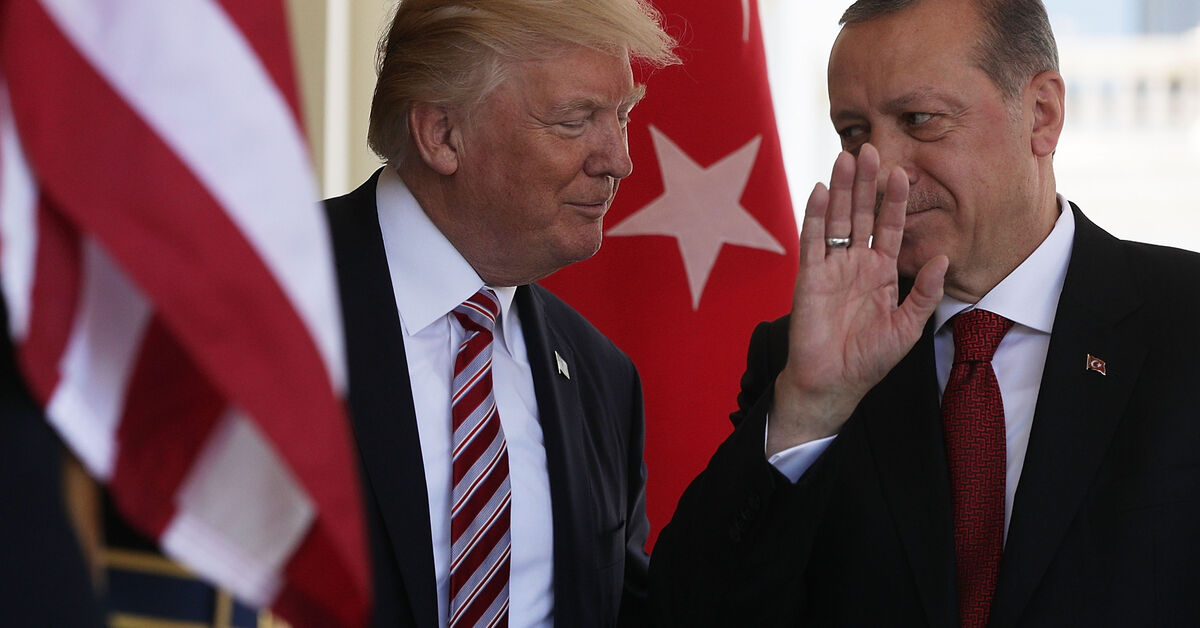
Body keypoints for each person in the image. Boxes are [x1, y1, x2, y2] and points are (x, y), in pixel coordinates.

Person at [649, 0, 1200, 626]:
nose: (882, 169)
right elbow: (685, 610)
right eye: (853, 132)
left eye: (920, 119)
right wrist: (809, 411)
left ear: (1041, 114)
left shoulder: (1185, 323)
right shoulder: (805, 364)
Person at [323, 1, 677, 626]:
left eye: (622, 115)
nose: (618, 160)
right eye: (575, 121)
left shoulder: (602, 378)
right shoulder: (268, 296)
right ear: (442, 134)